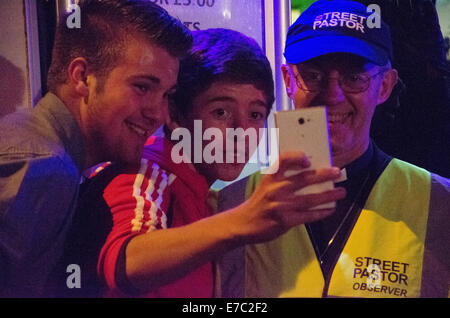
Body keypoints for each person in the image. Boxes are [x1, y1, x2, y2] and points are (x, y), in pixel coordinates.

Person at [70, 28, 346, 298]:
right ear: (174, 114)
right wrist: (244, 221)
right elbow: (125, 263)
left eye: (255, 114)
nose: (241, 131)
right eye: (221, 112)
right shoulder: (148, 172)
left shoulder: (203, 189)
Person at [216, 0, 449, 298]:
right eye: (313, 75)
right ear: (288, 80)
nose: (332, 94)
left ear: (385, 86)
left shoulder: (441, 205)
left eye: (354, 78)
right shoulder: (229, 204)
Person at [0, 0, 192, 297]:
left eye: (167, 94)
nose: (158, 113)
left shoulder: (36, 143)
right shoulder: (44, 168)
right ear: (82, 77)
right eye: (142, 87)